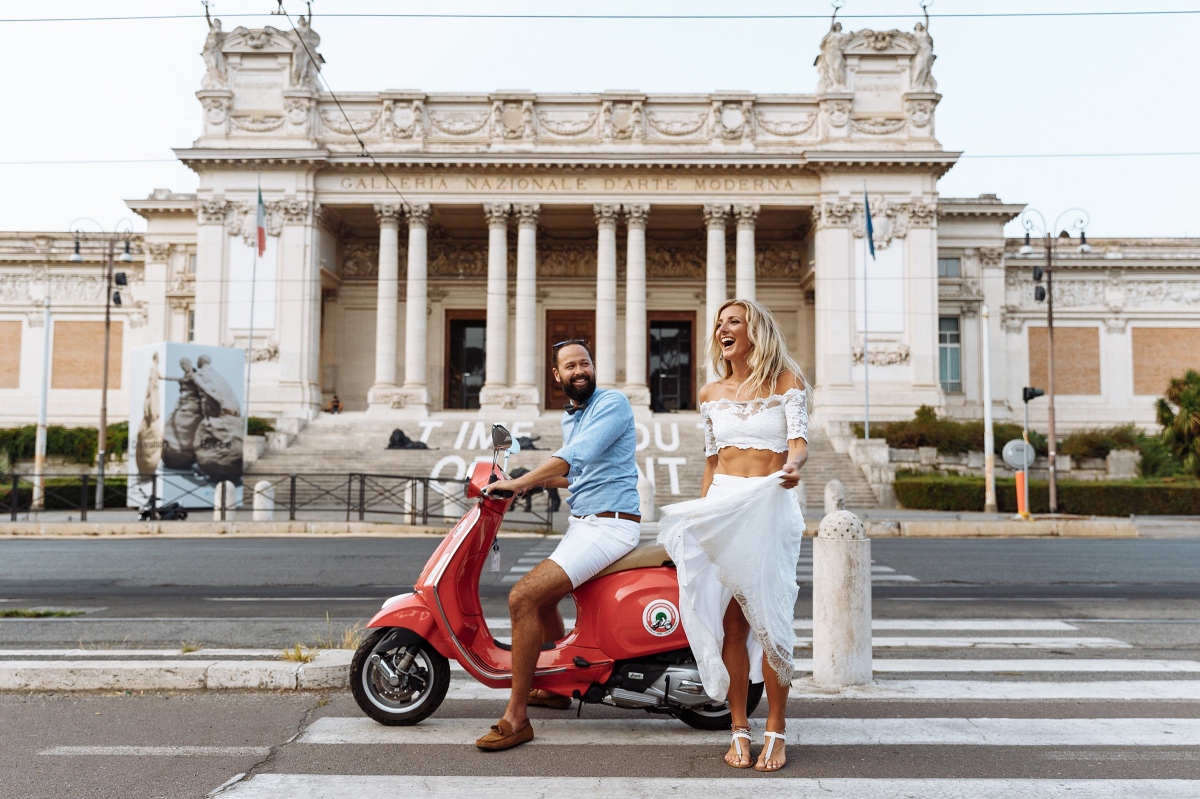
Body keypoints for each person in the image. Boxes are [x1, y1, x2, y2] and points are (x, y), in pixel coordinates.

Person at [656, 298, 809, 773]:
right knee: (733, 627)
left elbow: (801, 444)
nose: (724, 328)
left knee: (770, 621)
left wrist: (793, 467)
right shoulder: (709, 393)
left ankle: (777, 732)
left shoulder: (787, 382)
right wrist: (700, 513)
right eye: (720, 323)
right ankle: (739, 728)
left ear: (754, 331)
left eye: (734, 321)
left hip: (766, 505)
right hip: (721, 505)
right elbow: (710, 459)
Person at [475, 339, 641, 751]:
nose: (579, 370)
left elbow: (575, 456)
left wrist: (522, 480)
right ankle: (557, 689)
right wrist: (516, 485)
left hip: (610, 525)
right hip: (586, 523)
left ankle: (516, 717)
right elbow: (573, 474)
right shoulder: (574, 417)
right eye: (570, 366)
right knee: (543, 601)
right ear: (557, 375)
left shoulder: (612, 403)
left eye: (585, 362)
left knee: (523, 598)